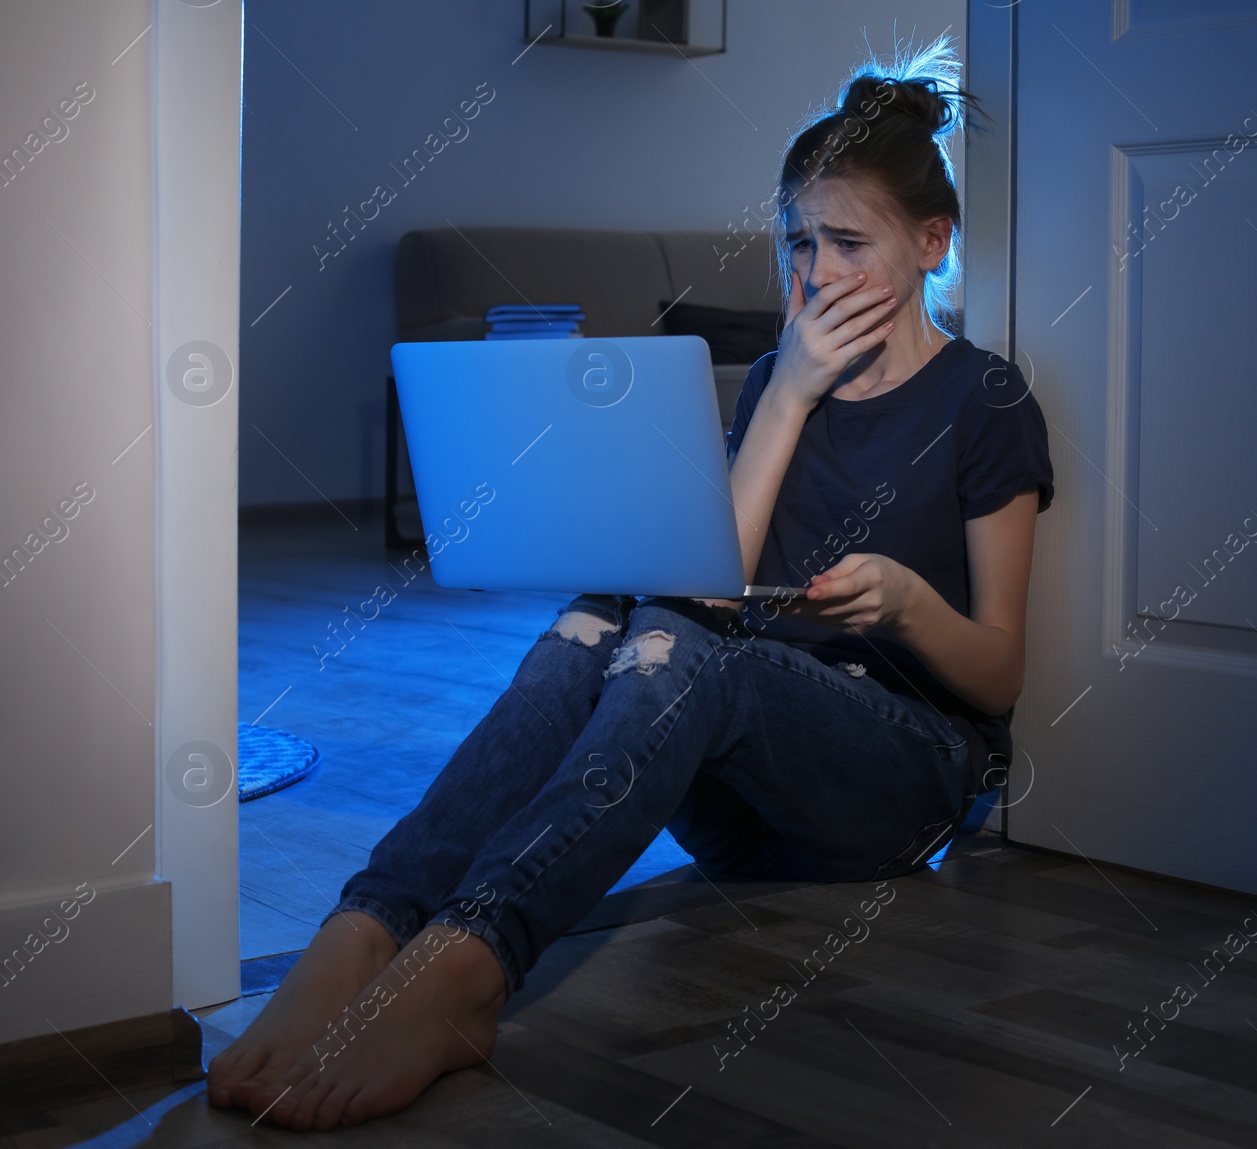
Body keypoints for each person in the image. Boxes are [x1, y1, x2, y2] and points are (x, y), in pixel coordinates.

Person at [207, 36, 1054, 1131]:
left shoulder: (983, 399)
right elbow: (708, 593)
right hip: (739, 795)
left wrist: (909, 605)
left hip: (898, 781)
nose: (814, 275)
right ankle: (369, 926)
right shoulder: (775, 391)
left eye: (847, 242)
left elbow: (999, 677)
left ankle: (469, 967)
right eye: (797, 242)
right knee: (610, 606)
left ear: (932, 241)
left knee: (686, 647)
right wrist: (786, 397)